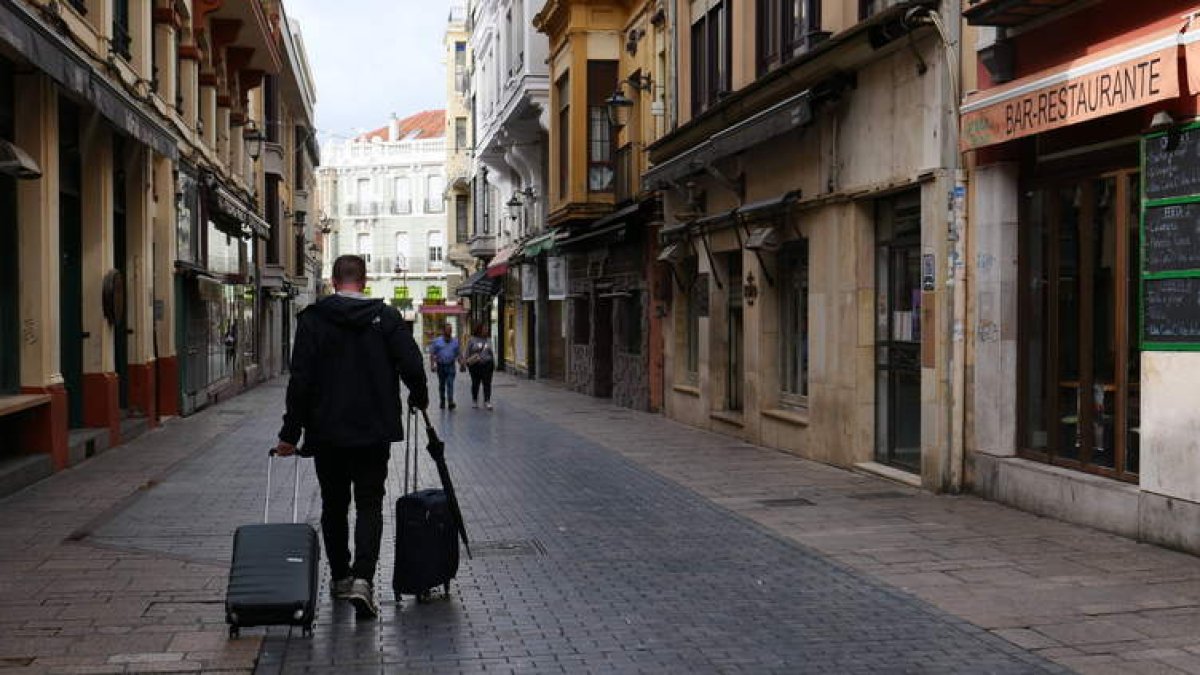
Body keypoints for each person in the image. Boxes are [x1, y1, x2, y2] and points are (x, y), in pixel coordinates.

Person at [275, 255, 428, 619]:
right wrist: (418, 397)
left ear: (331, 280)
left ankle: (341, 577)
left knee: (334, 505)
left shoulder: (313, 320)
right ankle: (364, 578)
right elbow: (412, 363)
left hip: (326, 433)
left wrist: (289, 434)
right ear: (365, 280)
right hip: (373, 432)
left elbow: (300, 381)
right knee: (370, 504)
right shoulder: (386, 318)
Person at [428, 323, 465, 410]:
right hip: (440, 366)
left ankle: (450, 402)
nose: (450, 331)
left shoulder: (455, 342)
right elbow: (432, 354)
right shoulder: (437, 341)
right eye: (448, 329)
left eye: (451, 329)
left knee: (450, 384)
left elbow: (458, 354)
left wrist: (462, 364)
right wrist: (432, 365)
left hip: (451, 365)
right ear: (443, 331)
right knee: (442, 385)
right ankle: (442, 401)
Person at [465, 323, 496, 410]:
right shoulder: (472, 340)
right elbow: (467, 352)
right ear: (479, 330)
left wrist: (493, 362)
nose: (486, 331)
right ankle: (475, 400)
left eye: (487, 329)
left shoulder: (488, 340)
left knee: (487, 383)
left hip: (487, 364)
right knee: (475, 383)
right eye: (484, 329)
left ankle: (487, 401)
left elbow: (491, 352)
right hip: (475, 365)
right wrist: (466, 361)